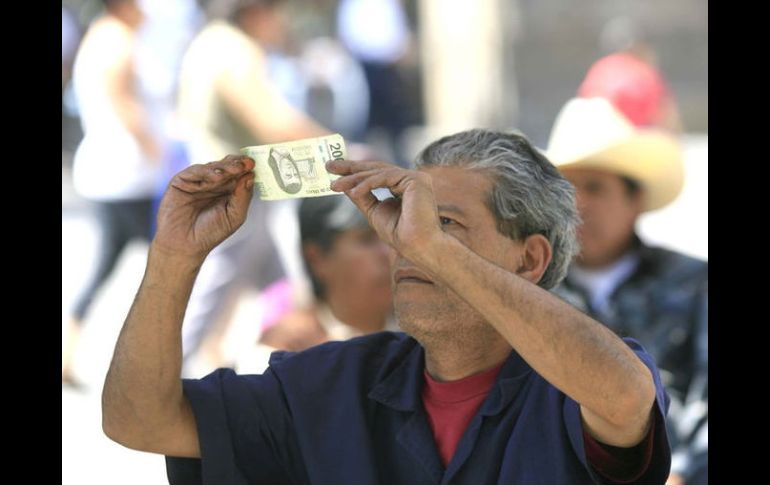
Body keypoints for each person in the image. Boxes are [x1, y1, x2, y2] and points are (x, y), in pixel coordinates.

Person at [102, 130, 672, 484]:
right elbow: (139, 421)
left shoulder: (576, 381)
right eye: (404, 221)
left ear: (529, 260)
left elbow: (625, 395)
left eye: (442, 222)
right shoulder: (330, 382)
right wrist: (174, 257)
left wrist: (433, 248)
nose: (405, 242)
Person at [547, 97, 707, 485]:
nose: (579, 205)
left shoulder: (695, 281)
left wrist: (682, 474)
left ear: (635, 200)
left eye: (596, 188)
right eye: (566, 190)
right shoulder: (533, 292)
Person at [175, 0, 329, 372]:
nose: (283, 22)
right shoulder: (233, 49)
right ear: (257, 11)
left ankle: (311, 370)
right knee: (211, 291)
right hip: (231, 195)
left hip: (240, 190)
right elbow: (272, 122)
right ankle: (159, 380)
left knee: (281, 287)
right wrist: (337, 150)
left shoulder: (213, 41)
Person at [62, 0, 162, 386]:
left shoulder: (108, 36)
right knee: (174, 262)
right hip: (125, 176)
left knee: (111, 267)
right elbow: (126, 107)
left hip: (120, 174)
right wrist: (162, 155)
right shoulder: (115, 41)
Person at [243, 195, 393, 368]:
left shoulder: (424, 328)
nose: (389, 253)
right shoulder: (283, 356)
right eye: (366, 240)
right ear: (316, 258)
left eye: (392, 235)